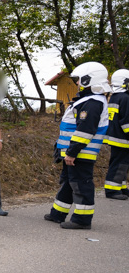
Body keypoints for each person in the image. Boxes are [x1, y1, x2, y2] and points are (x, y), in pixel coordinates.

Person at [44, 62, 110, 230]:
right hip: (74, 152)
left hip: (81, 153)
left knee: (81, 185)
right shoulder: (88, 100)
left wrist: (72, 152)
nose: (77, 83)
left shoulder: (93, 103)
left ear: (89, 80)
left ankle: (82, 220)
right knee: (69, 183)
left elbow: (85, 131)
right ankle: (58, 214)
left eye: (79, 80)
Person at [103, 69, 129, 200]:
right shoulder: (125, 98)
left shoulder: (115, 96)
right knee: (119, 163)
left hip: (115, 137)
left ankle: (120, 187)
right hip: (122, 138)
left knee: (122, 163)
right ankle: (112, 190)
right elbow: (126, 122)